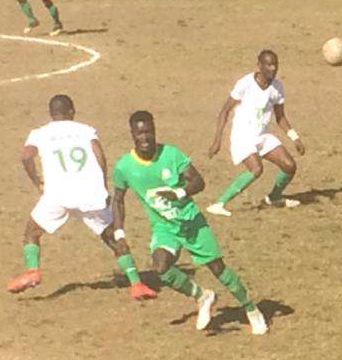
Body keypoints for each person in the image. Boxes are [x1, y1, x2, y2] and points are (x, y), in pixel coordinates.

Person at [112, 111, 268, 335]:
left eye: (149, 132)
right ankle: (202, 295)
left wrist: (179, 192)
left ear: (154, 131)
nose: (145, 137)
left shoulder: (171, 154)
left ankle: (251, 309)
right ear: (132, 134)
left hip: (191, 222)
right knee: (160, 267)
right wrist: (119, 232)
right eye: (140, 133)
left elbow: (198, 181)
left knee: (217, 268)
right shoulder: (124, 167)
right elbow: (118, 199)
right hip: (165, 227)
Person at [7, 94, 157, 300]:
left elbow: (26, 157)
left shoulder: (39, 133)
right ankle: (137, 284)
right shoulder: (86, 130)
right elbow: (99, 155)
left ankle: (33, 271)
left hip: (58, 194)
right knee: (113, 237)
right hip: (89, 193)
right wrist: (102, 187)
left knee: (31, 233)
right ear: (72, 111)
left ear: (51, 113)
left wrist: (38, 182)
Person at [206, 50, 305, 216]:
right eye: (269, 65)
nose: (273, 69)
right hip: (242, 136)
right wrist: (217, 141)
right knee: (256, 169)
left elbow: (280, 116)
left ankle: (273, 198)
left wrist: (294, 137)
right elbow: (224, 111)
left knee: (289, 166)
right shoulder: (245, 84)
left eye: (275, 65)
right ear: (259, 65)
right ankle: (218, 204)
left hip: (262, 135)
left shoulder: (277, 87)